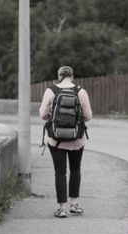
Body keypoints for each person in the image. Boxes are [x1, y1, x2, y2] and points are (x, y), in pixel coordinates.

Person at [39, 66, 92, 218]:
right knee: (75, 169)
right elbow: (88, 116)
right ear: (72, 76)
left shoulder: (51, 91)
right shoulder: (80, 91)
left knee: (60, 172)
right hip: (77, 139)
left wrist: (55, 119)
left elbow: (43, 114)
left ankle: (61, 208)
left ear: (59, 76)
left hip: (56, 139)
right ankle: (74, 204)